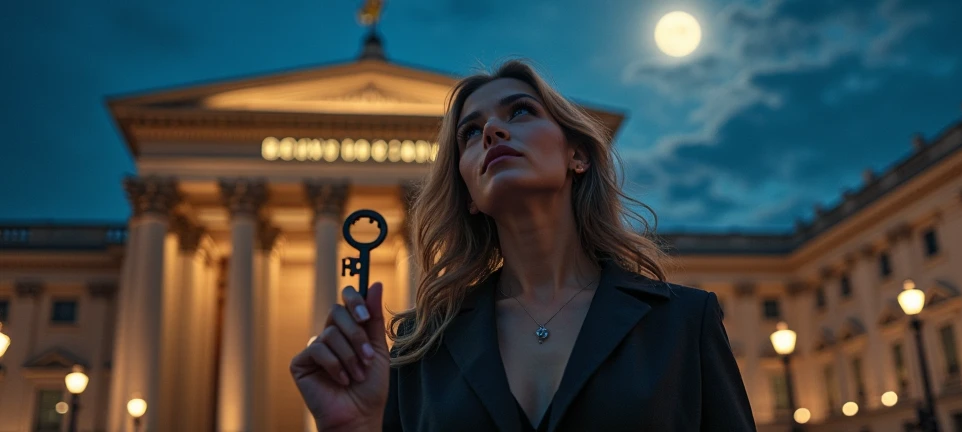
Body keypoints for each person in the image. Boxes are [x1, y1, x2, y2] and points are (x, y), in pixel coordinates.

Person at [290, 59, 756, 431]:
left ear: (577, 155)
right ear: (468, 192)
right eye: (470, 133)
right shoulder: (420, 347)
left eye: (520, 112)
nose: (491, 131)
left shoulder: (682, 323)